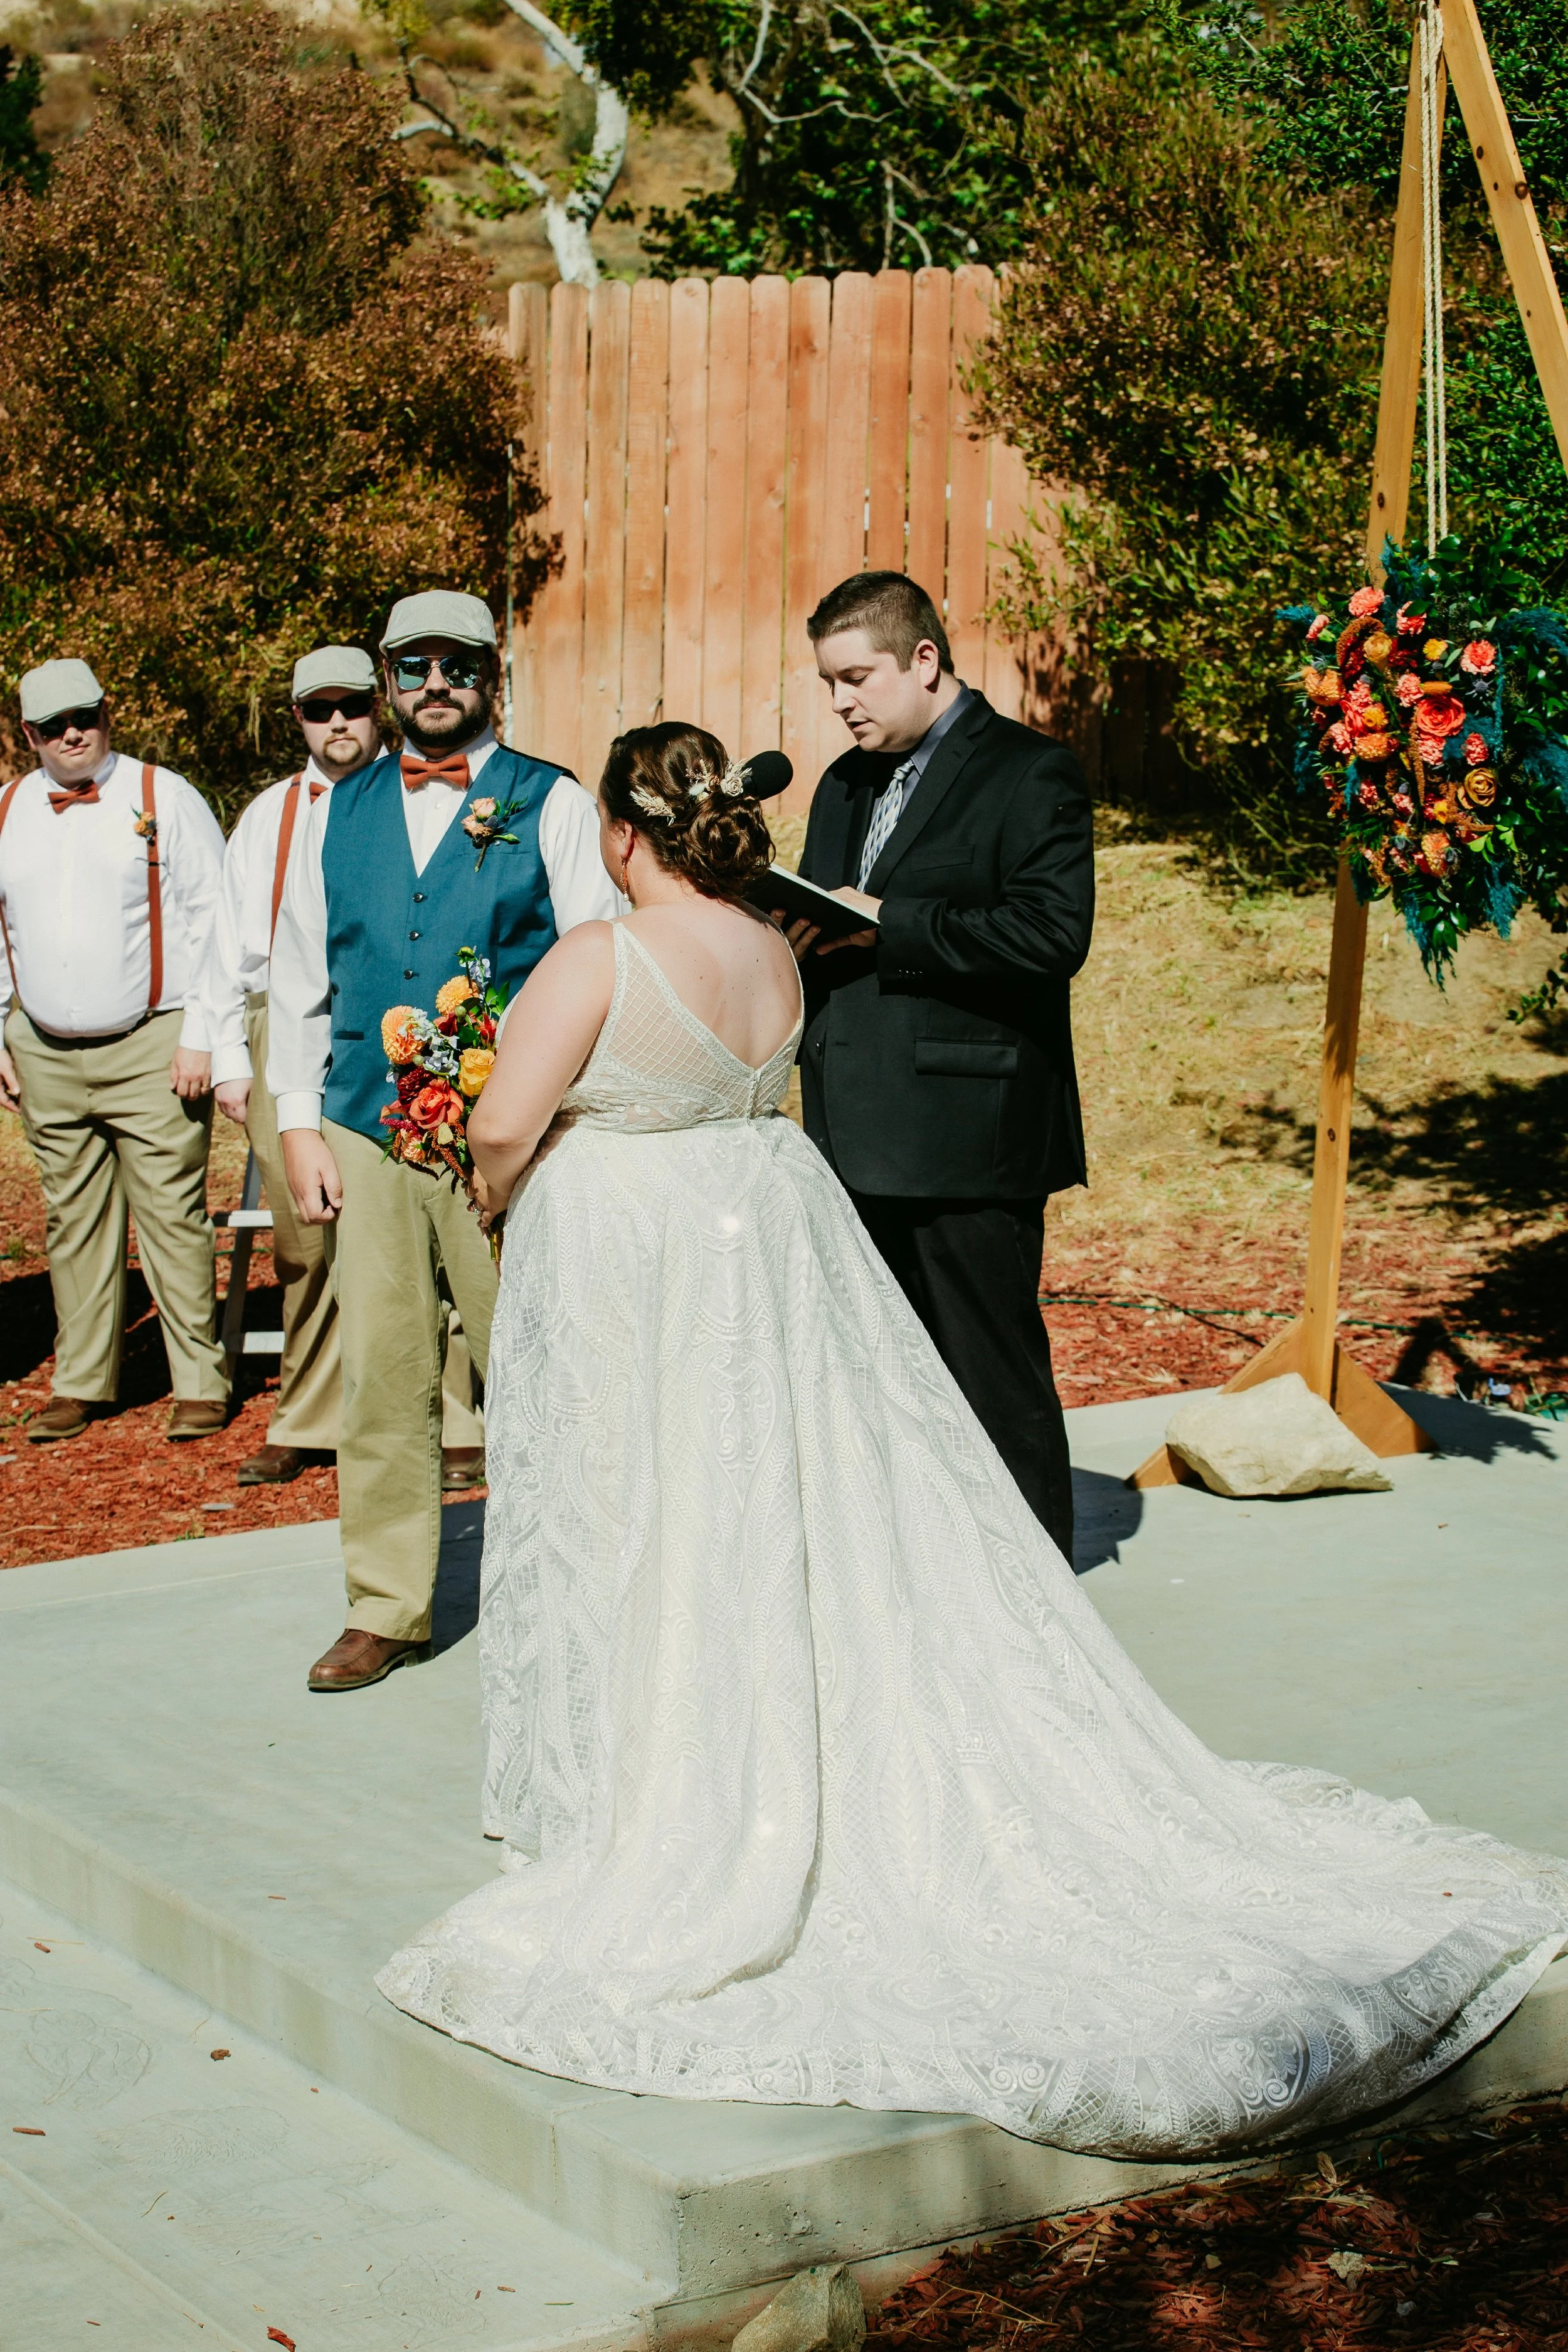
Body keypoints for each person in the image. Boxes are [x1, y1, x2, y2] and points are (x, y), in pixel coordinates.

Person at [378, 719, 1567, 2160]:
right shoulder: (769, 949)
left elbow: (507, 1122)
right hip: (761, 1238)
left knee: (655, 1510)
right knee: (768, 1500)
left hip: (645, 1259)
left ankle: (678, 1779)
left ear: (624, 833)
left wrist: (488, 1175)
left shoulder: (600, 956)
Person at [267, 590, 619, 1693]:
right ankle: (386, 1603)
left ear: (492, 676)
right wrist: (297, 1125)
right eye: (412, 667)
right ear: (386, 680)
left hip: (508, 1135)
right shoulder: (336, 808)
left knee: (536, 1364)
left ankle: (575, 1591)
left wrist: (548, 1117)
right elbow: (299, 975)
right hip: (364, 1127)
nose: (433, 686)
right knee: (383, 1371)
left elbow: (597, 958)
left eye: (456, 666)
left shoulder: (551, 801)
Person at [783, 571, 1091, 1563]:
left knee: (991, 1380)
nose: (841, 702)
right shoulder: (842, 782)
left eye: (857, 677)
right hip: (850, 1126)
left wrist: (892, 926)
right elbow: (844, 936)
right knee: (886, 1382)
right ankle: (925, 1580)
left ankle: (1034, 1595)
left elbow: (1052, 934)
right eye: (829, 683)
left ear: (924, 660)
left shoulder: (1029, 771)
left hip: (968, 1135)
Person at [204, 645, 487, 1489]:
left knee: (436, 1226)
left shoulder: (455, 798)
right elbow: (226, 944)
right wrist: (227, 1055)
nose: (338, 722)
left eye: (353, 705)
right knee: (307, 1241)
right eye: (319, 708)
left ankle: (455, 1417)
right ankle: (309, 1413)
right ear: (297, 717)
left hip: (415, 1029)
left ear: (381, 705)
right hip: (292, 1028)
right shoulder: (269, 815)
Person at [0, 659, 230, 1442]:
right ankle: (81, 1382)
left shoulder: (164, 796)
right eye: (54, 725)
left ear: (107, 715)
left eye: (85, 717)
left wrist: (201, 1034)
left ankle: (198, 1382)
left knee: (173, 1215)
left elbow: (214, 920)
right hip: (44, 1050)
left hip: (152, 1043)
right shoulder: (7, 811)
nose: (73, 734)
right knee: (72, 1220)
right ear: (28, 733)